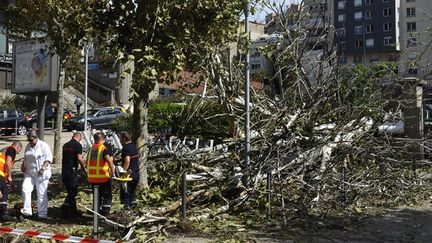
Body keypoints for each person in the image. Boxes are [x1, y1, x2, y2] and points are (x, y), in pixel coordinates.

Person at [21, 130, 53, 219]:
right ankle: (27, 211)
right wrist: (23, 165)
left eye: (31, 140)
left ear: (36, 138)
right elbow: (26, 157)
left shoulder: (43, 145)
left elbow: (48, 158)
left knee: (41, 193)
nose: (30, 142)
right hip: (29, 172)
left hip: (41, 173)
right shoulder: (28, 146)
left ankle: (42, 214)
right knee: (25, 188)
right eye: (28, 140)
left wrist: (43, 168)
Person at [87, 132, 115, 217]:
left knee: (96, 195)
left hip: (92, 178)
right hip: (103, 178)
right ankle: (105, 212)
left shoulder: (91, 149)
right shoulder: (103, 149)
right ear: (103, 140)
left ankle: (96, 211)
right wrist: (113, 172)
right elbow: (109, 160)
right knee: (107, 195)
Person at [60, 132, 86, 218]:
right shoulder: (78, 145)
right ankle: (65, 208)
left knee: (70, 190)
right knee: (73, 191)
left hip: (65, 171)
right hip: (72, 171)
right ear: (80, 138)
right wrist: (83, 168)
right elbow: (79, 158)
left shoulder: (65, 145)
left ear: (72, 136)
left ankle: (73, 211)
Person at [0, 141, 23, 221]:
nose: (18, 153)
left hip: (1, 174)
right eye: (19, 151)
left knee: (2, 191)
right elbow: (7, 162)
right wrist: (9, 176)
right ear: (18, 147)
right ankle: (3, 214)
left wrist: (8, 180)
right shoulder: (12, 149)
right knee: (4, 192)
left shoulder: (4, 150)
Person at [119, 131, 140, 210]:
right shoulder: (134, 147)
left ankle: (126, 209)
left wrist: (123, 171)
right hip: (136, 173)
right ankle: (133, 207)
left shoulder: (126, 148)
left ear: (124, 139)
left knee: (125, 193)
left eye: (120, 139)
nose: (120, 141)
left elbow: (127, 160)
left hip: (129, 174)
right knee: (132, 192)